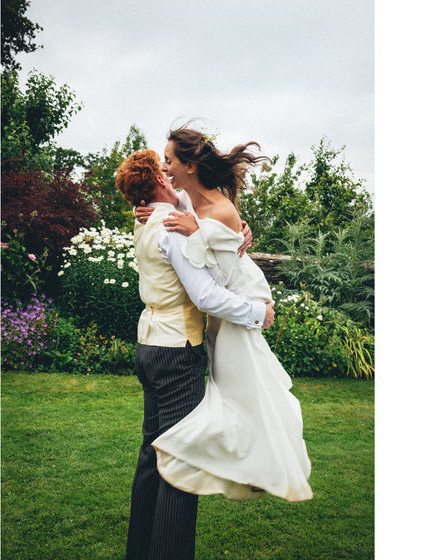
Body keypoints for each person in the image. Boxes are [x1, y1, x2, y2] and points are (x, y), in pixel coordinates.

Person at [115, 149, 276, 560]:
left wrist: (233, 229)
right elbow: (206, 295)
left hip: (149, 346)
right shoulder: (171, 229)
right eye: (164, 175)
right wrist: (259, 312)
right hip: (176, 354)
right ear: (157, 182)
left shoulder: (150, 221)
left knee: (152, 455)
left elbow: (194, 213)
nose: (172, 178)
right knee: (181, 460)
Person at [140, 126, 314, 503]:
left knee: (243, 396)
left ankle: (256, 465)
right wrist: (155, 207)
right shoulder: (189, 205)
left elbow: (217, 278)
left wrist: (204, 231)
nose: (165, 167)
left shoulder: (219, 210)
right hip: (218, 321)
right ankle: (235, 461)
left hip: (234, 314)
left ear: (189, 165)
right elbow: (203, 235)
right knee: (231, 397)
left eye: (169, 160)